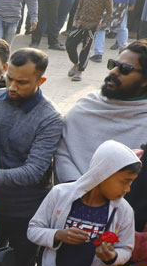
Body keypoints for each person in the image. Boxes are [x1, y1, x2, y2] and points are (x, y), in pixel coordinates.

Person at [0, 48, 64, 266]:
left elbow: (33, 172)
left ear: (41, 80)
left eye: (22, 82)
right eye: (9, 78)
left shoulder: (50, 118)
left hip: (25, 213)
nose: (12, 87)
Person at [29, 140, 139, 266]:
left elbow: (126, 249)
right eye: (124, 182)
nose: (128, 189)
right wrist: (58, 234)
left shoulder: (123, 210)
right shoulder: (59, 194)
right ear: (103, 173)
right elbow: (33, 230)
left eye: (131, 183)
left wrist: (112, 256)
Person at [55, 43, 147, 182]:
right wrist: (78, 192)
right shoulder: (86, 107)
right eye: (113, 64)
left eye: (125, 69)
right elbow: (62, 154)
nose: (113, 72)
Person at [67, 0, 113, 81]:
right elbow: (78, 8)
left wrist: (101, 25)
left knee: (85, 50)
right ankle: (76, 63)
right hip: (79, 25)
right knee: (69, 45)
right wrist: (75, 21)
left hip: (92, 27)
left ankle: (79, 71)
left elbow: (109, 12)